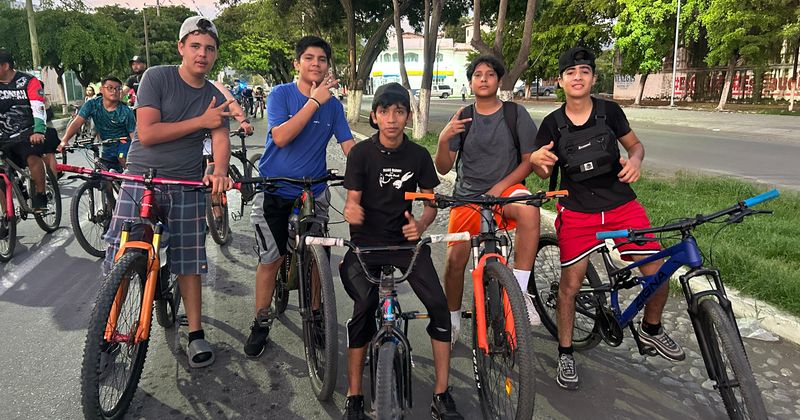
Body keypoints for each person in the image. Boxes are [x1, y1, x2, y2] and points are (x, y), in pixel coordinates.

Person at [529, 46, 685, 391]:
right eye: (571, 72)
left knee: (658, 274)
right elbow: (541, 173)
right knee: (570, 287)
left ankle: (651, 328)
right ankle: (566, 352)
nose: (578, 77)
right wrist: (539, 161)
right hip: (578, 211)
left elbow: (636, 145)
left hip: (621, 206)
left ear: (593, 78)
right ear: (560, 80)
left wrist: (636, 160)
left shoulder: (610, 112)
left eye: (584, 71)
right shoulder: (551, 124)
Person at [103, 16, 235, 368]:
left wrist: (220, 172)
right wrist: (200, 123)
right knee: (120, 255)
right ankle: (107, 329)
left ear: (215, 54)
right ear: (181, 48)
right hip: (141, 179)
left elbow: (220, 138)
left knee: (190, 262)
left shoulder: (213, 95)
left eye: (209, 49)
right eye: (195, 46)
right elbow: (147, 133)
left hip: (187, 184)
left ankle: (195, 333)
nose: (201, 54)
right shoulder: (156, 77)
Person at [340, 83, 463, 420]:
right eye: (384, 112)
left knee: (439, 307)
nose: (391, 119)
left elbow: (429, 203)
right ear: (375, 116)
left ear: (407, 116)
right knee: (363, 307)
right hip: (365, 246)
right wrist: (352, 211)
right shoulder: (361, 154)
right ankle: (354, 396)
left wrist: (421, 225)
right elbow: (352, 201)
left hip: (407, 245)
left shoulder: (419, 156)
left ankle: (442, 394)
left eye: (398, 112)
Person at [245, 35, 354, 358]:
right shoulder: (281, 94)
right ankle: (261, 321)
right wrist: (314, 102)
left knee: (317, 259)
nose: (316, 64)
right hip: (276, 188)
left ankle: (318, 314)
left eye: (322, 59)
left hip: (315, 190)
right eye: (309, 58)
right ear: (297, 63)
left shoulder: (334, 105)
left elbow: (349, 147)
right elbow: (280, 137)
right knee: (272, 259)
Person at [434, 55, 542, 347]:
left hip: (505, 192)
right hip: (467, 198)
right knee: (455, 262)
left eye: (490, 74)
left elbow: (528, 161)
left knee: (531, 213)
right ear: (470, 82)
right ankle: (453, 317)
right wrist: (444, 139)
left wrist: (499, 188)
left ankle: (519, 293)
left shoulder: (515, 114)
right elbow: (443, 168)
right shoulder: (462, 116)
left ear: (499, 80)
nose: (483, 79)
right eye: (477, 74)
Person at [0, 50, 49, 210]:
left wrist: (39, 131)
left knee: (32, 156)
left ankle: (41, 195)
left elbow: (38, 107)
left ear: (5, 66)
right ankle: (6, 215)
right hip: (3, 134)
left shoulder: (28, 81)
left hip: (27, 131)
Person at [58, 76, 136, 171]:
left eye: (118, 88)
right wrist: (65, 140)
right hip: (106, 147)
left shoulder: (126, 111)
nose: (114, 91)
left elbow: (133, 135)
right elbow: (77, 122)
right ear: (101, 90)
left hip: (123, 143)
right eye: (110, 88)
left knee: (121, 157)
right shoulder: (92, 104)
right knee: (104, 176)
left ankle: (129, 179)